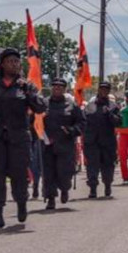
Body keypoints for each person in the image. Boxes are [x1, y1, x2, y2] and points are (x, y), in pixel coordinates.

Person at [0, 48, 47, 229]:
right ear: (2, 64)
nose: (15, 64)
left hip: (19, 138)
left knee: (19, 175)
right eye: (11, 61)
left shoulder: (26, 86)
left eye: (17, 62)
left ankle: (21, 204)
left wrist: (31, 94)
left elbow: (41, 107)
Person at [42, 78, 84, 210]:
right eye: (55, 86)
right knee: (48, 173)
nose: (57, 89)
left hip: (65, 145)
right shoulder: (44, 104)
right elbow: (34, 121)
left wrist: (72, 130)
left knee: (65, 173)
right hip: (47, 145)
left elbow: (82, 123)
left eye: (60, 87)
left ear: (65, 89)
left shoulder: (72, 105)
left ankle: (64, 189)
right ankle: (50, 198)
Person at [82, 82, 121, 198]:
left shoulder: (113, 106)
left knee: (108, 165)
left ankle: (107, 185)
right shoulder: (90, 104)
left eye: (106, 89)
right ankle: (93, 188)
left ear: (109, 91)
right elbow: (83, 120)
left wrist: (110, 114)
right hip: (92, 141)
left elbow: (119, 122)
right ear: (98, 90)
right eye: (102, 89)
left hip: (107, 142)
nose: (103, 91)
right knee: (92, 166)